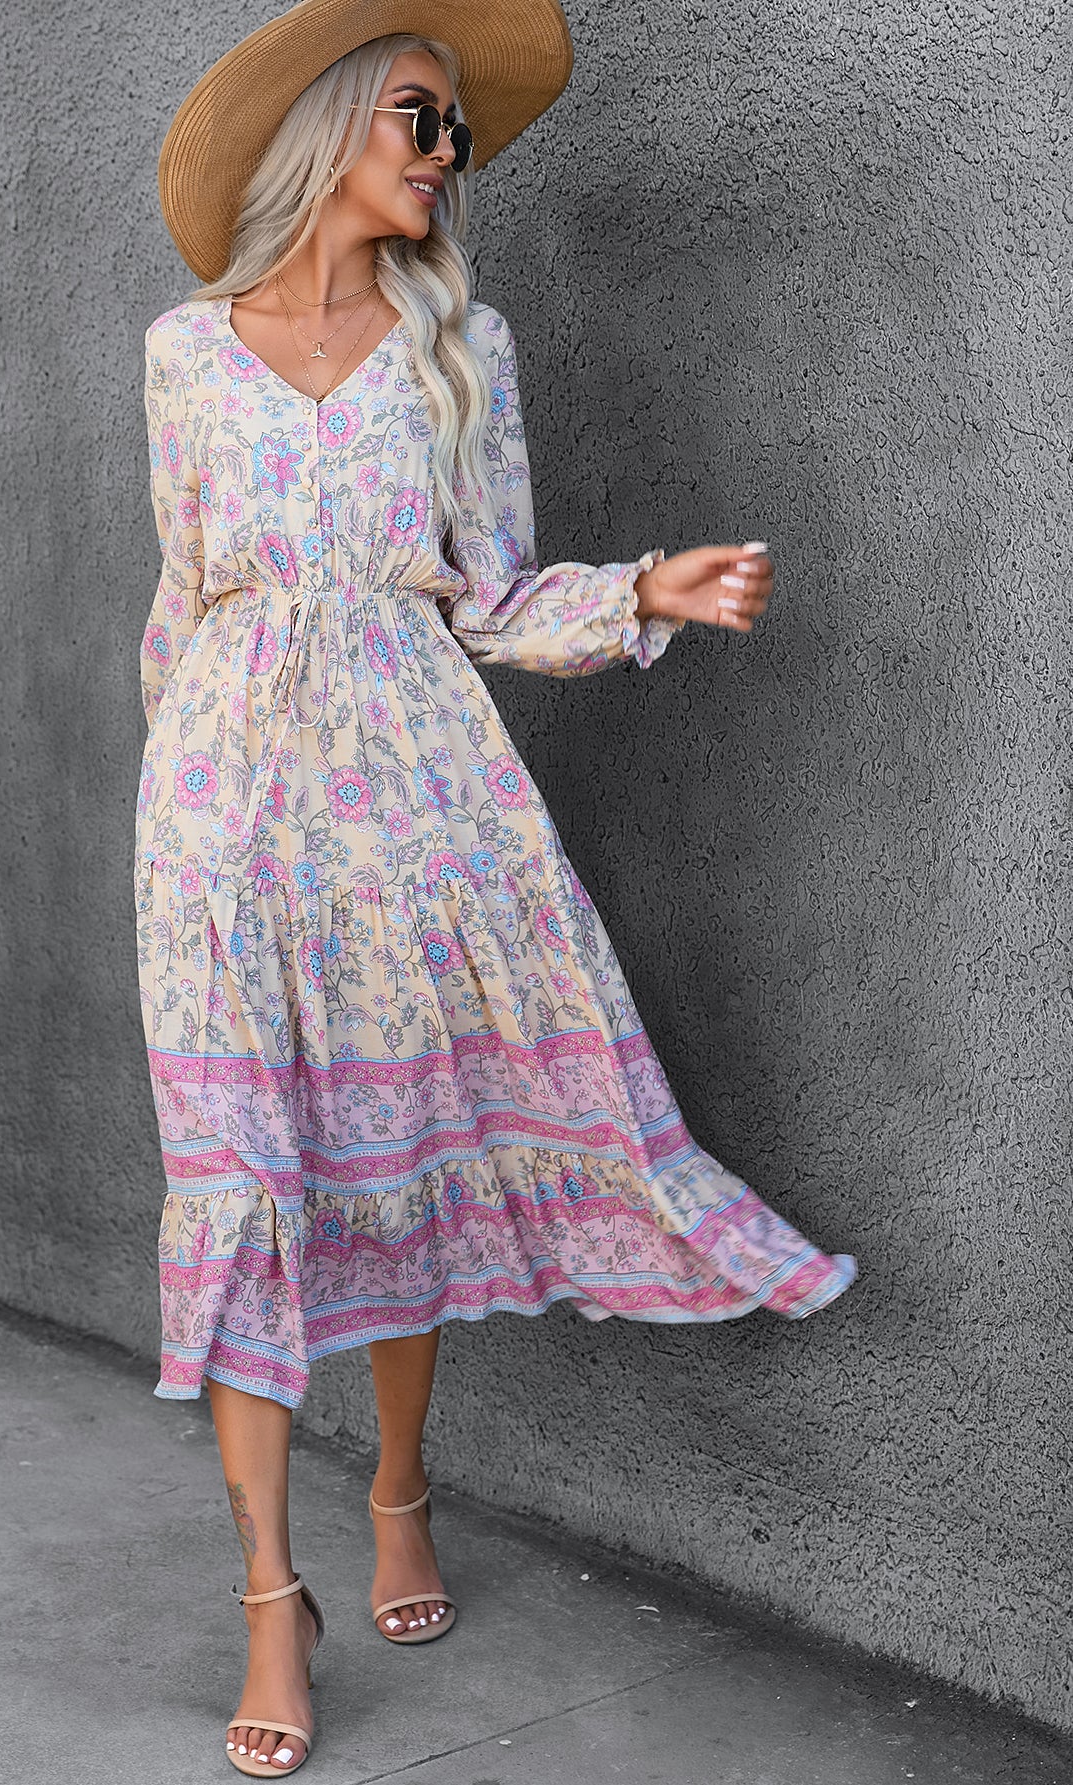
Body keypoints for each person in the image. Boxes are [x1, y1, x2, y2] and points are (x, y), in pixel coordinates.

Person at [136, 1, 857, 1773]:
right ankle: (262, 1597)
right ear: (326, 126)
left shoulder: (465, 350)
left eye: (457, 132)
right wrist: (181, 803)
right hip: (223, 816)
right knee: (243, 1173)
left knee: (392, 1161)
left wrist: (642, 596)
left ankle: (395, 1495)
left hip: (416, 794)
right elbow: (182, 599)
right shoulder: (180, 353)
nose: (448, 156)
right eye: (418, 118)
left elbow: (495, 593)